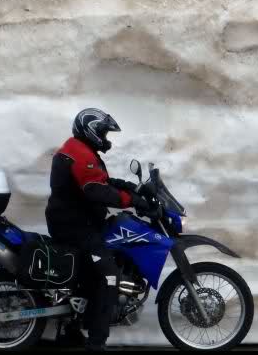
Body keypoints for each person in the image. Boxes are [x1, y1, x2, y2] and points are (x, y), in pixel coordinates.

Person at [45, 108, 155, 351]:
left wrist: (128, 187)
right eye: (104, 133)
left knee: (87, 275)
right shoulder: (80, 154)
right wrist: (132, 201)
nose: (106, 138)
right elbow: (96, 191)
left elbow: (99, 180)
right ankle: (96, 343)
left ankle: (70, 331)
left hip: (76, 222)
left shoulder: (79, 149)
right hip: (75, 226)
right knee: (108, 276)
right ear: (91, 131)